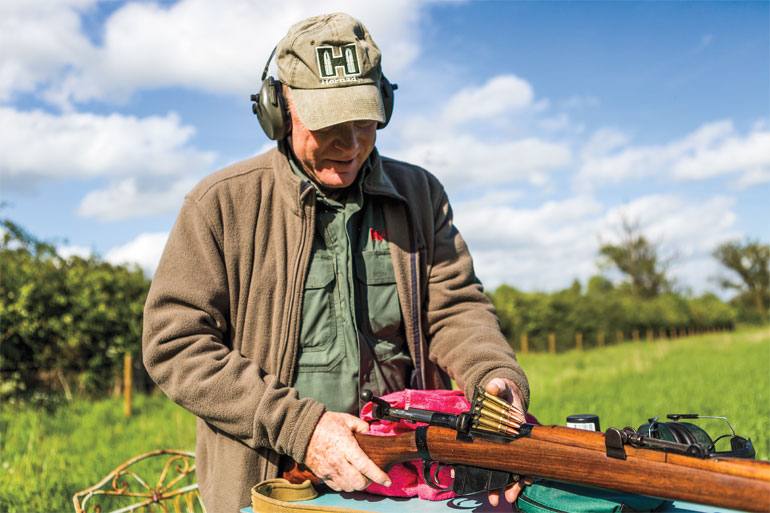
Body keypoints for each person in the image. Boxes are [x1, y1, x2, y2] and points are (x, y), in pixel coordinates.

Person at [142, 12, 530, 512]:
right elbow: (175, 344)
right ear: (278, 110)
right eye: (328, 124)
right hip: (279, 487)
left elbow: (455, 309)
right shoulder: (219, 205)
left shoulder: (420, 194)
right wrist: (301, 428)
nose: (349, 145)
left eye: (364, 121)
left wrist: (491, 373)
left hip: (411, 482)